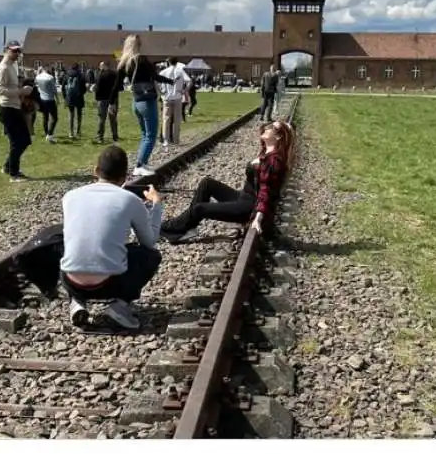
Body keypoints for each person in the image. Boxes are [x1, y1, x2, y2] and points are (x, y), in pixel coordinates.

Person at [60, 145, 163, 330]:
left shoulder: (70, 196)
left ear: (96, 171)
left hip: (70, 280)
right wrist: (156, 205)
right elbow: (149, 242)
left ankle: (77, 302)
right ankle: (119, 307)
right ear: (124, 177)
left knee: (74, 245)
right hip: (110, 284)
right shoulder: (130, 199)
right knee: (151, 256)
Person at [160, 119, 295, 244]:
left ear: (278, 137)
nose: (267, 126)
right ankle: (188, 227)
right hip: (243, 198)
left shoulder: (274, 161)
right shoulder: (267, 151)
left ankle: (167, 227)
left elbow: (266, 192)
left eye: (272, 127)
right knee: (207, 183)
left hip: (248, 208)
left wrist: (258, 219)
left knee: (199, 208)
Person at [115, 35, 174, 177]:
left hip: (136, 102)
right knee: (151, 135)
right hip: (148, 101)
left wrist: (112, 101)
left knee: (144, 134)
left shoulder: (124, 62)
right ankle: (140, 165)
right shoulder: (142, 60)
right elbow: (155, 76)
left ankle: (142, 162)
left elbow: (118, 84)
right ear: (138, 45)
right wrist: (171, 81)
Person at [0, 41, 34, 181]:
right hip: (7, 108)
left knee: (24, 140)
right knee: (18, 141)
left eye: (18, 51)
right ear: (6, 50)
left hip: (14, 107)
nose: (17, 53)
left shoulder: (12, 66)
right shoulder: (4, 68)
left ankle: (8, 166)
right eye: (14, 51)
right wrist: (20, 91)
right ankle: (13, 173)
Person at [160, 57, 190, 147]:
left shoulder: (164, 72)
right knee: (177, 120)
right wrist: (184, 90)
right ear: (177, 63)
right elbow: (189, 81)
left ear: (168, 62)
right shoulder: (180, 71)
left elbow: (155, 81)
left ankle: (166, 140)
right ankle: (176, 140)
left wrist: (160, 92)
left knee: (166, 119)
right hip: (177, 97)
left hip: (167, 98)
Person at [94, 61, 119, 143]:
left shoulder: (100, 75)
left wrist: (96, 98)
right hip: (113, 98)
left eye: (100, 66)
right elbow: (118, 87)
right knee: (113, 118)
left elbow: (97, 88)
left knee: (102, 118)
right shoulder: (114, 74)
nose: (100, 67)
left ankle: (100, 137)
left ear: (104, 66)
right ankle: (115, 136)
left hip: (102, 99)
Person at [34, 66, 59, 142]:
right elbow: (54, 90)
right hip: (50, 99)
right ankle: (50, 134)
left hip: (42, 99)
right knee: (54, 118)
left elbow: (36, 86)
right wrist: (57, 99)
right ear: (48, 70)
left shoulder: (38, 77)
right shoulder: (50, 77)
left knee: (45, 117)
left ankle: (46, 133)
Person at [65, 63, 87, 139]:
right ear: (78, 68)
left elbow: (63, 86)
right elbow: (84, 88)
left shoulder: (67, 74)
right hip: (79, 97)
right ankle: (78, 131)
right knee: (79, 115)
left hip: (70, 97)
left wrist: (66, 96)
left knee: (71, 115)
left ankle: (71, 132)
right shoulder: (80, 75)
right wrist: (81, 93)